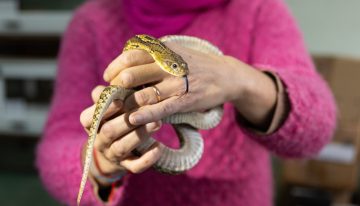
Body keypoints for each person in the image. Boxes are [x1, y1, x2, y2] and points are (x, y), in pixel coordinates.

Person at [36, 0, 336, 205]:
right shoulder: (92, 21)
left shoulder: (257, 9)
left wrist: (238, 78)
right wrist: (103, 162)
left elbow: (318, 128)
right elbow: (57, 144)